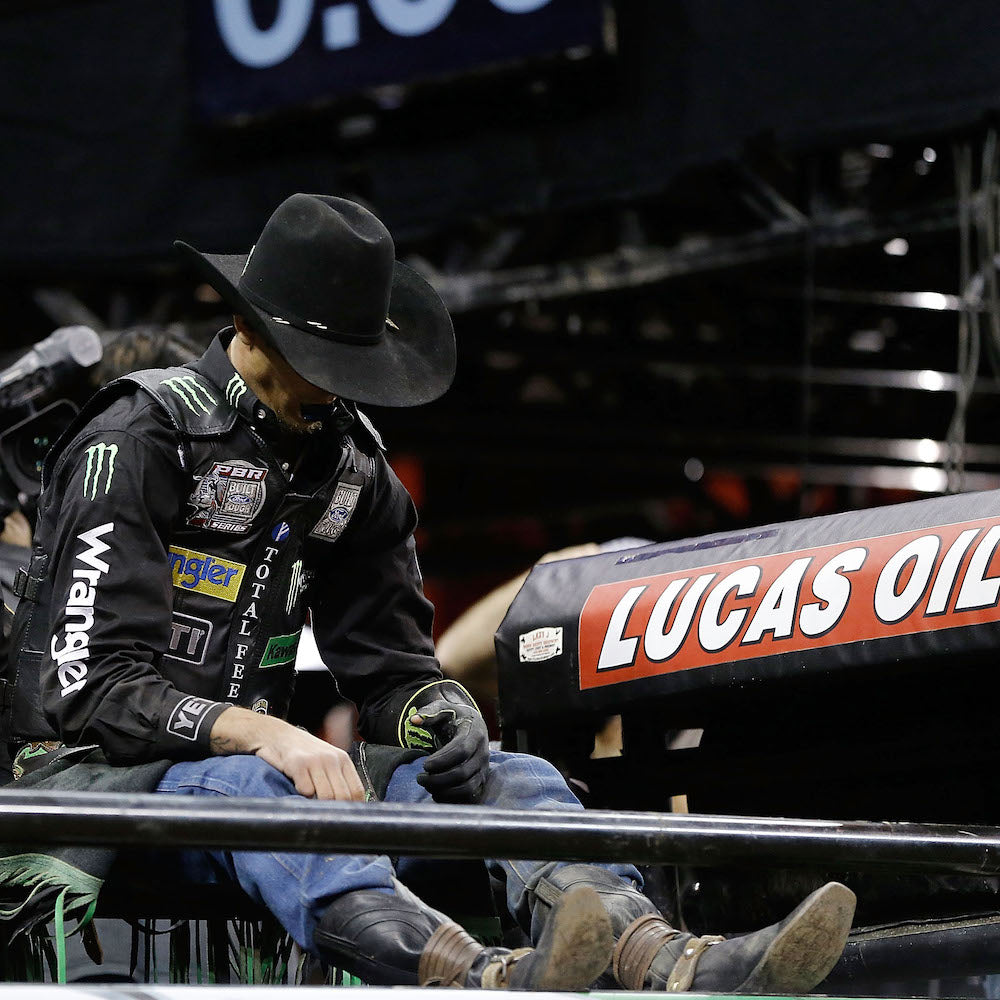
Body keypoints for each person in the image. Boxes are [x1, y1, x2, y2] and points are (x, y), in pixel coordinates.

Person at [0, 194, 855, 991]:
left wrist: (438, 710)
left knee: (509, 775)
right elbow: (91, 695)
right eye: (313, 362)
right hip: (97, 782)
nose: (331, 387)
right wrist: (263, 735)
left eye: (347, 362)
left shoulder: (353, 467)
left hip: (255, 777)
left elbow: (391, 669)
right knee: (262, 787)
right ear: (244, 328)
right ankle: (478, 978)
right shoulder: (135, 438)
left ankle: (668, 961)